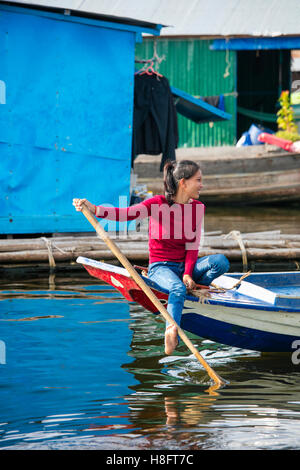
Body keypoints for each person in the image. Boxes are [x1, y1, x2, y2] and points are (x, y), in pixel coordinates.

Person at [73, 160, 230, 356]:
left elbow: (192, 246)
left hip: (184, 268)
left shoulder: (197, 207)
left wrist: (188, 274)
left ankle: (192, 289)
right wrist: (95, 209)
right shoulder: (157, 204)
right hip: (161, 268)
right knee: (176, 288)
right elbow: (127, 214)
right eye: (198, 180)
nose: (202, 185)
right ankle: (171, 328)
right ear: (183, 183)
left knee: (221, 262)